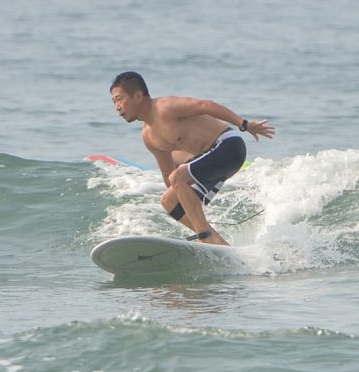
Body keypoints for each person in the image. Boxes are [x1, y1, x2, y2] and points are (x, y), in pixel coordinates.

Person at [109, 71, 275, 246]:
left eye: (119, 99)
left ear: (137, 96)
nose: (117, 107)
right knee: (168, 200)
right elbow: (169, 179)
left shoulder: (165, 107)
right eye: (114, 102)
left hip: (229, 146)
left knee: (178, 177)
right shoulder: (149, 137)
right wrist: (185, 198)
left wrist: (244, 124)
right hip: (210, 161)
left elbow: (206, 105)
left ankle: (204, 236)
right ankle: (218, 243)